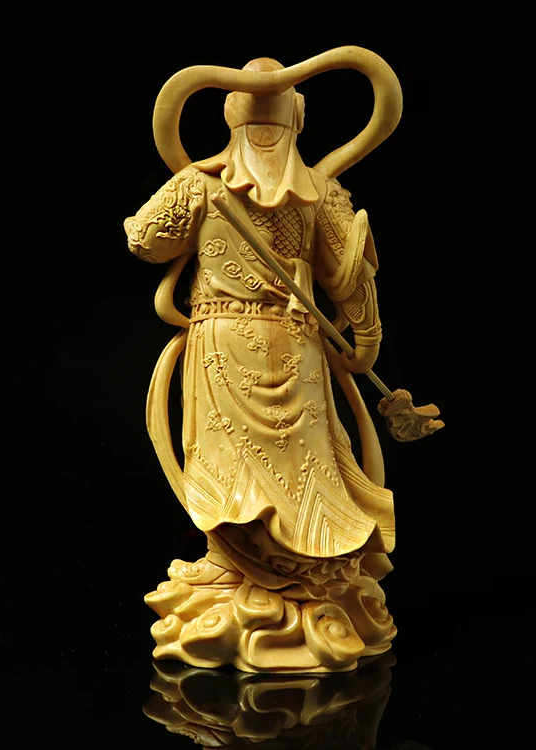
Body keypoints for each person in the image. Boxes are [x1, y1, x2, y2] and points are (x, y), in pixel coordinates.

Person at [125, 56, 398, 672]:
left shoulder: (211, 184)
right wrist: (367, 340)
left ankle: (293, 571)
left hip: (249, 339)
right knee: (243, 459)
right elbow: (352, 281)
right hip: (270, 341)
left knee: (288, 462)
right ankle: (237, 565)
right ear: (300, 120)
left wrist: (365, 341)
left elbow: (145, 240)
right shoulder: (297, 190)